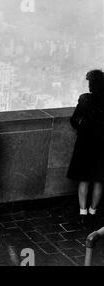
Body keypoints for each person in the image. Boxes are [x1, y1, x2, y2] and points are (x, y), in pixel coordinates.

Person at [67, 69, 104, 232]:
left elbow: (74, 120)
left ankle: (82, 212)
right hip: (103, 145)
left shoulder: (85, 99)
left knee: (84, 178)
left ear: (92, 84)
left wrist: (83, 126)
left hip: (86, 144)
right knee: (98, 180)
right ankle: (93, 211)